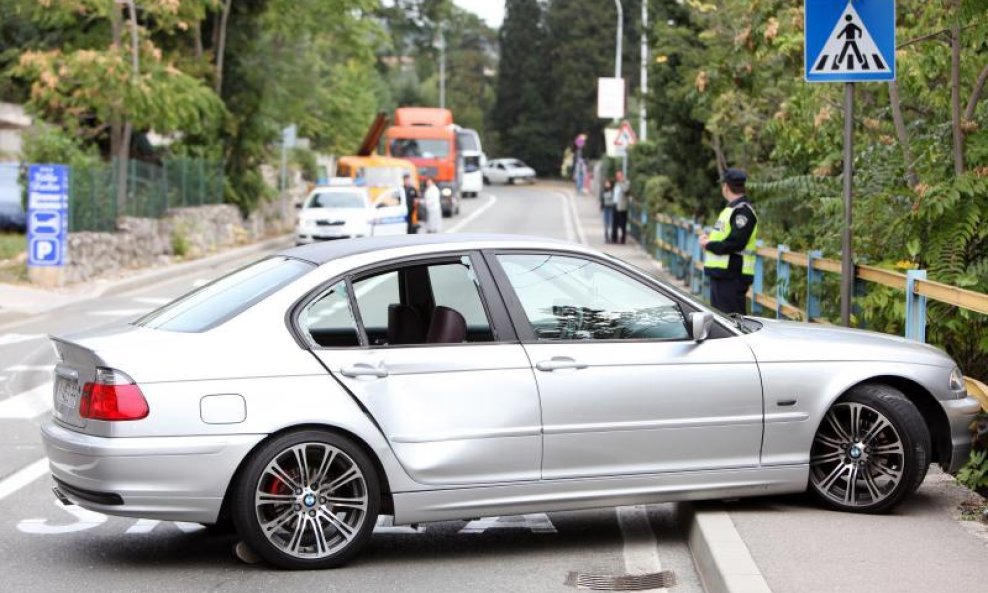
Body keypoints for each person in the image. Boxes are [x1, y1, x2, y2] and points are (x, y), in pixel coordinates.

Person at [699, 168, 759, 315]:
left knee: (732, 322)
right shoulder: (731, 210)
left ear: (726, 187)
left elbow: (736, 242)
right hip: (722, 275)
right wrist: (709, 239)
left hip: (732, 276)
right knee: (722, 321)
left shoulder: (743, 212)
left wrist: (708, 244)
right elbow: (724, 237)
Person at [611, 170, 628, 244]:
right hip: (615, 204)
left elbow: (625, 190)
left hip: (622, 207)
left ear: (622, 176)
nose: (618, 177)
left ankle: (623, 239)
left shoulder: (626, 182)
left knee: (622, 223)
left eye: (619, 176)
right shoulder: (616, 183)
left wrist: (621, 182)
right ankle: (614, 238)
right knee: (614, 223)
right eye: (617, 176)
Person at [601, 178, 615, 243]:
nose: (607, 184)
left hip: (611, 208)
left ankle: (610, 236)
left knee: (610, 222)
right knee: (606, 223)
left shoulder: (612, 191)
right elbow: (602, 199)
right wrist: (602, 206)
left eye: (608, 183)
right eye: (606, 183)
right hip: (606, 208)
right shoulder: (603, 191)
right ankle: (606, 235)